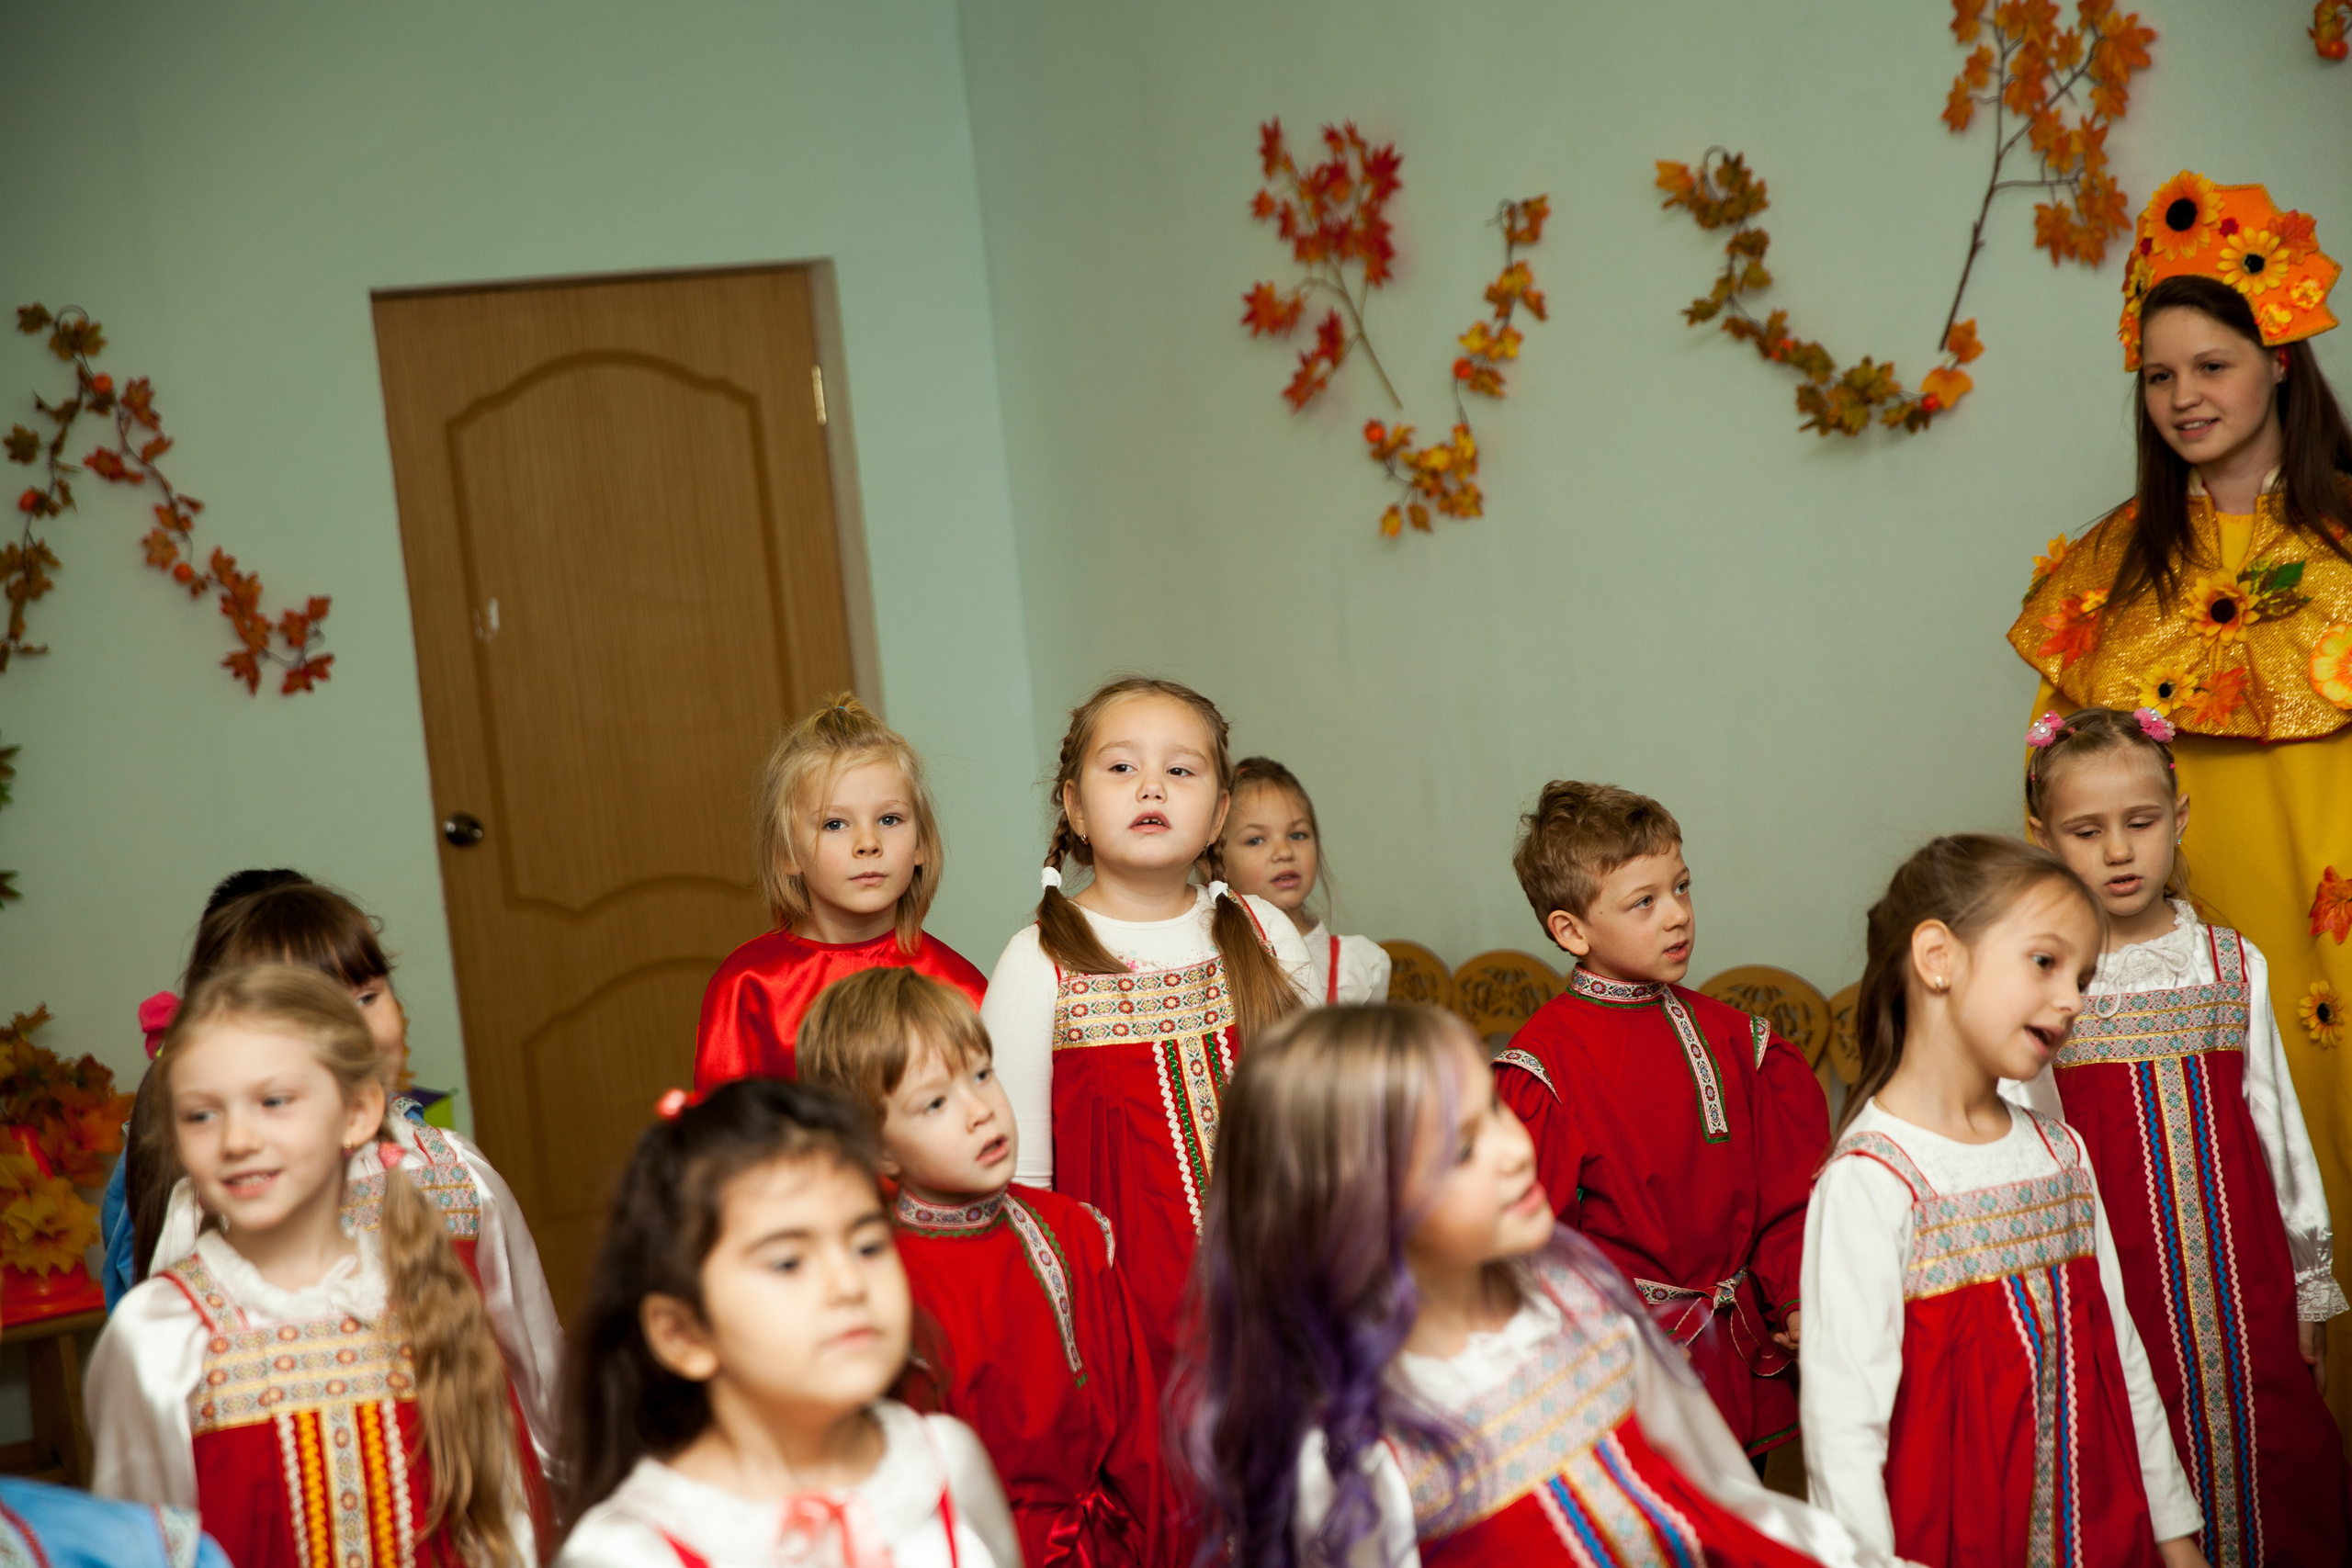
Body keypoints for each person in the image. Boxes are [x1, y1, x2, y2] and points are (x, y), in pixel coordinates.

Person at [2007, 172, 2352, 1435]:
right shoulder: (2106, 571)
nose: (2184, 396)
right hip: (2164, 971)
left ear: (2281, 363)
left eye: (2213, 365)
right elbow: (2051, 791)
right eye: (2158, 376)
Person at [1173, 1002, 1897, 1568]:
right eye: (1462, 1148)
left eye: (1494, 1107)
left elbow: (1720, 1497)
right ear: (1358, 1207)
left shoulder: (1578, 1299)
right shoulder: (1356, 1449)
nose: (1515, 1149)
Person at [1802, 834, 2207, 1567]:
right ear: (1938, 957)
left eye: (2082, 976)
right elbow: (1844, 1439)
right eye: (2046, 962)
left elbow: (2123, 1362)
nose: (2072, 999)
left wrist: (2177, 1542)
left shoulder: (2062, 1153)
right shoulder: (1872, 1180)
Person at [2007, 705, 2347, 1565]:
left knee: (2283, 1465)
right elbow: (2023, 1142)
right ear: (2044, 837)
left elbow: (2279, 1131)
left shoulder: (2231, 962)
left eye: (2141, 822)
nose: (2119, 851)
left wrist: (2309, 1282)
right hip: (2113, 1289)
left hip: (2249, 1287)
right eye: (2088, 831)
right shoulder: (2038, 982)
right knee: (2134, 1465)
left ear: (2179, 817)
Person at [116, 874, 565, 1485]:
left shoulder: (458, 1176)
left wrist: (553, 1495)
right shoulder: (205, 1208)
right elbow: (169, 1428)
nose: (355, 1031)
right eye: (311, 1014)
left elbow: (536, 1366)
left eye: (367, 997)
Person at [89, 964, 536, 1567]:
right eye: (201, 1114)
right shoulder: (161, 1333)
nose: (237, 1139)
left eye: (275, 1101)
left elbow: (499, 1523)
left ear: (358, 1112)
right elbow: (136, 1548)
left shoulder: (428, 1289)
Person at [980, 676, 1312, 1379]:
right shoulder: (1037, 962)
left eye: (1181, 770)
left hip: (1284, 1302)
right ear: (1075, 804)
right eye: (1122, 766)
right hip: (1126, 1333)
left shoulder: (1267, 934)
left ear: (1219, 813)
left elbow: (1323, 1125)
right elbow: (1022, 1192)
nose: (1151, 787)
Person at [553, 1077, 1020, 1568]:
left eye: (867, 1247)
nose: (849, 1284)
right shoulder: (631, 1553)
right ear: (683, 1334)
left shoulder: (945, 1467)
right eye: (788, 1263)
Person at [1490, 782, 1826, 1462]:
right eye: (1644, 901)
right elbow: (1534, 1255)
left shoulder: (1740, 1041)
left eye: (1682, 887)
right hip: (1627, 1379)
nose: (1677, 915)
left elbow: (1790, 1200)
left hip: (1741, 1361)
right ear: (1571, 931)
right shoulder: (1541, 1071)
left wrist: (1794, 1296)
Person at [798, 967, 1170, 1566]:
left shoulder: (1075, 1231)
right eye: (936, 1102)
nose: (980, 1110)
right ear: (878, 1149)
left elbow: (1140, 1447)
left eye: (981, 1074)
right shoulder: (881, 1288)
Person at [695, 694, 987, 1089]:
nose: (868, 843)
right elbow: (725, 1124)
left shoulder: (959, 987)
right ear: (787, 853)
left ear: (919, 845)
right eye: (835, 824)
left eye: (889, 819)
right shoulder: (747, 987)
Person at [1216, 756, 1392, 1004]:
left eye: (1297, 835)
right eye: (1256, 840)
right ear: (1218, 861)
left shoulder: (1360, 966)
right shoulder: (1208, 962)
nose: (1284, 852)